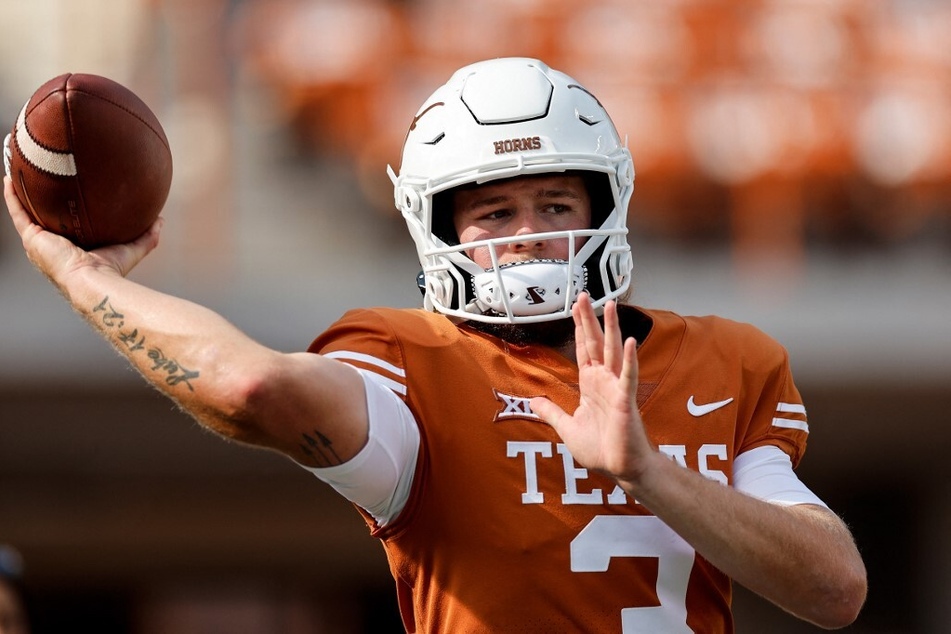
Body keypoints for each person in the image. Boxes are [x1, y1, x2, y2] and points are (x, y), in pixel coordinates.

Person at [4, 57, 866, 632]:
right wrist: (84, 277)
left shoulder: (729, 361)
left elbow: (833, 590)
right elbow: (252, 388)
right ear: (436, 226)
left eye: (556, 205)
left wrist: (651, 472)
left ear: (606, 207)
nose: (528, 236)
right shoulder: (413, 361)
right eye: (494, 212)